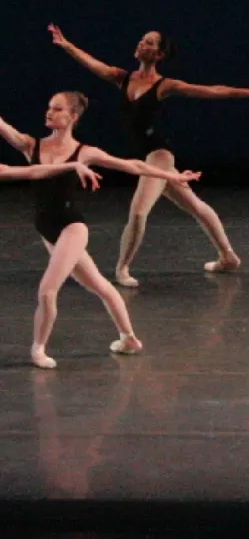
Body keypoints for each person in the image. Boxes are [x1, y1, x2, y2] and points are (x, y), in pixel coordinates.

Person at [48, 24, 249, 287]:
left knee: (139, 212)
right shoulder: (123, 77)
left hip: (159, 155)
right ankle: (228, 256)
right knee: (195, 206)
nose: (142, 44)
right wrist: (67, 45)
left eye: (150, 43)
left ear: (159, 55)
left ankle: (122, 269)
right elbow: (93, 65)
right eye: (142, 40)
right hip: (145, 157)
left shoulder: (165, 85)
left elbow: (211, 90)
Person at [0, 91, 201, 369]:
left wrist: (173, 175)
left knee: (47, 291)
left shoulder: (85, 152)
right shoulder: (30, 146)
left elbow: (133, 165)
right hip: (47, 230)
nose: (49, 113)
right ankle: (129, 338)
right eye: (49, 107)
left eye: (57, 109)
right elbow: (5, 130)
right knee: (98, 284)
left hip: (71, 226)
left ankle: (39, 349)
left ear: (73, 116)